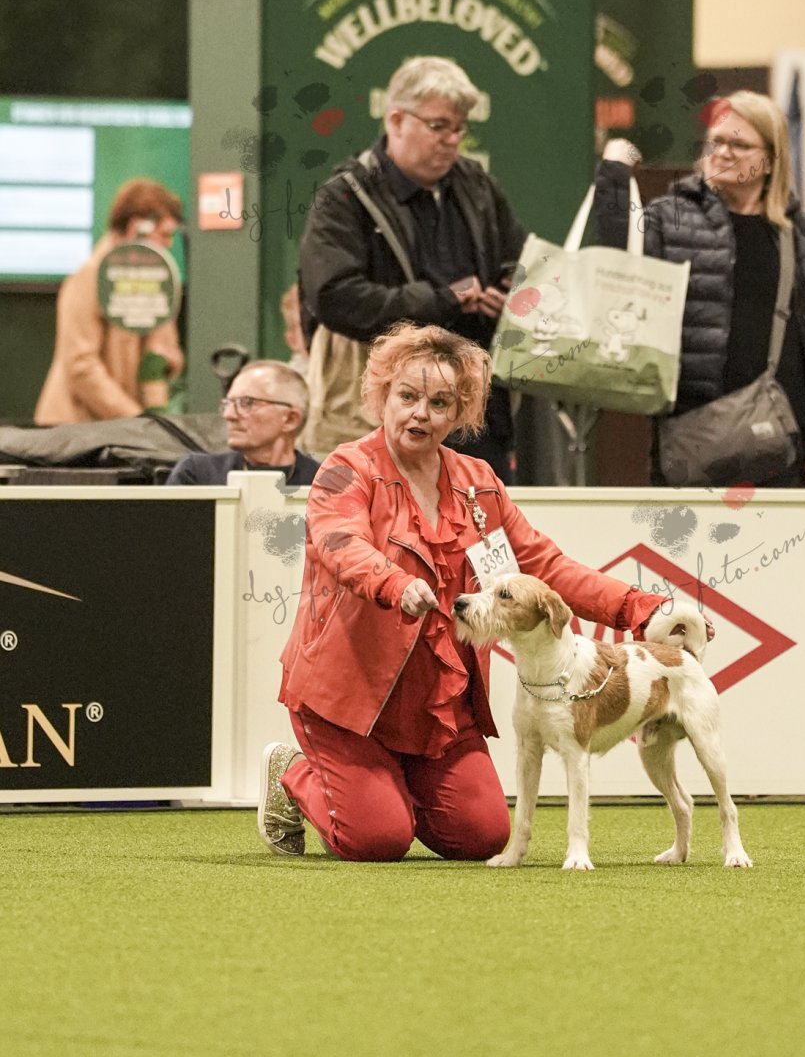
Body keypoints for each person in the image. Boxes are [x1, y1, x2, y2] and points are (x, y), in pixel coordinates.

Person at [257, 322, 678, 862]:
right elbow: (341, 545)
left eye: (439, 403)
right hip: (348, 696)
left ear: (460, 412)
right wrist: (394, 582)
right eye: (407, 397)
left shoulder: (479, 483)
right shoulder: (346, 468)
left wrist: (641, 608)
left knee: (481, 836)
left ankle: (384, 787)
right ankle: (295, 772)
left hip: (437, 704)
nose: (420, 414)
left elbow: (545, 567)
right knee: (376, 840)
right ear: (382, 395)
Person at [298, 55, 525, 479]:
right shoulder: (345, 197)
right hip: (377, 413)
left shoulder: (478, 186)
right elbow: (334, 296)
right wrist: (442, 300)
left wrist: (507, 295)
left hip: (472, 413)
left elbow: (519, 262)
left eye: (459, 128)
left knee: (478, 518)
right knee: (386, 518)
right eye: (439, 126)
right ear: (396, 120)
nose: (451, 140)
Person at [596, 92, 805, 487]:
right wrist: (614, 177)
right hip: (696, 434)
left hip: (782, 441)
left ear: (770, 160)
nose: (723, 153)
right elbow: (622, 261)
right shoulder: (672, 216)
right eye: (716, 141)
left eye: (739, 145)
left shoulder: (803, 233)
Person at [35, 179, 185, 425]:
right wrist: (135, 419)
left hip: (126, 428)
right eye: (164, 234)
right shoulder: (89, 277)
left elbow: (162, 353)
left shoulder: (158, 279)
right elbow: (81, 366)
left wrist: (156, 416)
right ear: (137, 227)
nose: (169, 243)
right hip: (74, 427)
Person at [167, 360, 319, 485]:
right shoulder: (198, 475)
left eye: (247, 403)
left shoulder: (324, 484)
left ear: (291, 419)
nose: (228, 415)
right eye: (228, 403)